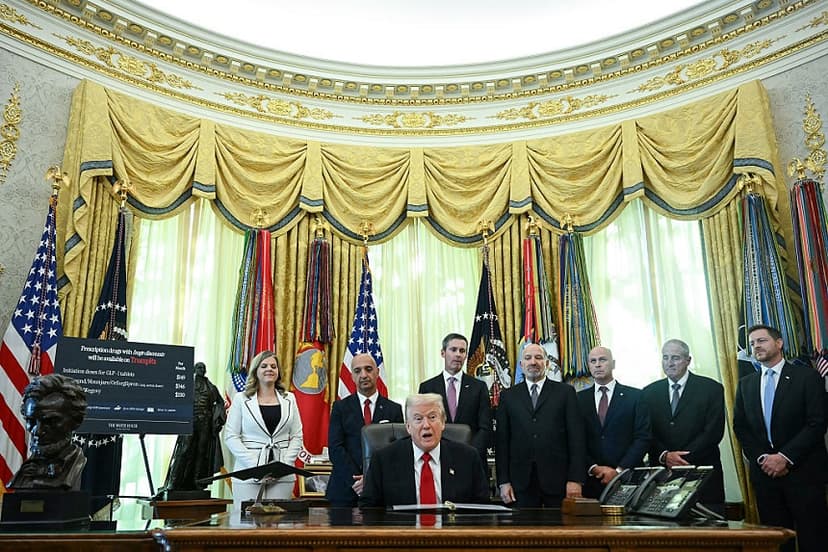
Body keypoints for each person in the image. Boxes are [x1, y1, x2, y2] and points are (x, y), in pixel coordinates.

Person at [733, 325, 828, 552]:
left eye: (762, 340)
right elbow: (741, 427)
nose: (756, 346)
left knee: (814, 540)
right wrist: (763, 458)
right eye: (753, 343)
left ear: (779, 343)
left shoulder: (807, 377)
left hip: (803, 473)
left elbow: (817, 423)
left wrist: (785, 457)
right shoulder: (747, 384)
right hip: (766, 476)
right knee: (776, 542)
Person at [359, 393, 489, 507]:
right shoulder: (383, 460)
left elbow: (481, 508)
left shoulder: (468, 458)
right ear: (408, 427)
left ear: (443, 422)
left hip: (452, 533)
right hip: (402, 533)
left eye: (432, 417)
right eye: (418, 419)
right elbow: (369, 509)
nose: (426, 425)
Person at [496, 343, 585, 507]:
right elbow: (502, 442)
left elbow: (576, 439)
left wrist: (575, 479)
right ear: (521, 365)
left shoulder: (565, 393)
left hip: (559, 482)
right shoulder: (508, 396)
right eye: (528, 358)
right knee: (523, 532)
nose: (533, 362)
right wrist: (503, 481)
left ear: (547, 363)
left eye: (538, 357)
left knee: (561, 531)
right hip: (520, 484)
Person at [641, 339, 725, 514]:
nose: (669, 363)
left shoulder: (711, 389)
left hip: (703, 476)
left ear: (688, 360)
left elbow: (713, 432)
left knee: (709, 535)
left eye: (675, 358)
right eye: (665, 357)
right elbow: (646, 432)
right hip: (664, 476)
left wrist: (682, 459)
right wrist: (665, 455)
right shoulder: (648, 393)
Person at [224, 350, 303, 509]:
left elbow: (297, 436)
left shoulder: (290, 399)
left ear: (278, 371)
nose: (269, 369)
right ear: (255, 371)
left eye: (274, 366)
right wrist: (257, 466)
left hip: (282, 477)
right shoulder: (241, 399)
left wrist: (283, 466)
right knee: (246, 527)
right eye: (264, 366)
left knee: (279, 526)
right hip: (248, 474)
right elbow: (231, 437)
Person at [326, 353, 404, 507]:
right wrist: (356, 480)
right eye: (357, 371)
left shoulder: (394, 409)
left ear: (377, 373)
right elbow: (335, 448)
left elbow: (398, 451)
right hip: (345, 490)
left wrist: (370, 479)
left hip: (381, 490)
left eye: (368, 369)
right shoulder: (340, 408)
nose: (363, 375)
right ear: (352, 377)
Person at [576, 346, 651, 499]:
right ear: (588, 366)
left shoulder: (636, 396)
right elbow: (575, 440)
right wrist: (594, 468)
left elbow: (643, 437)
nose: (598, 364)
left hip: (628, 480)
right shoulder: (577, 399)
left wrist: (618, 471)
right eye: (593, 361)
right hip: (591, 481)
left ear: (613, 364)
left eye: (602, 360)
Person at [418, 333, 492, 461]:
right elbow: (424, 425)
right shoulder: (427, 387)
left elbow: (485, 427)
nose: (458, 354)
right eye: (453, 350)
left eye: (462, 351)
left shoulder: (479, 387)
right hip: (438, 458)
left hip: (471, 457)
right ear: (443, 353)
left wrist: (470, 452)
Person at [9, 374, 88, 490]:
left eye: (50, 421)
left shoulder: (77, 467)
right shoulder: (25, 471)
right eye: (31, 421)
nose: (38, 431)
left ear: (76, 421)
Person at [162, 362, 226, 493]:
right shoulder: (186, 385)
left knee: (201, 452)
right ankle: (174, 481)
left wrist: (217, 417)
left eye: (203, 368)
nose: (201, 370)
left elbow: (220, 402)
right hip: (189, 421)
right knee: (184, 450)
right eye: (198, 367)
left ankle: (197, 481)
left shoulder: (211, 388)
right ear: (194, 370)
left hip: (205, 423)